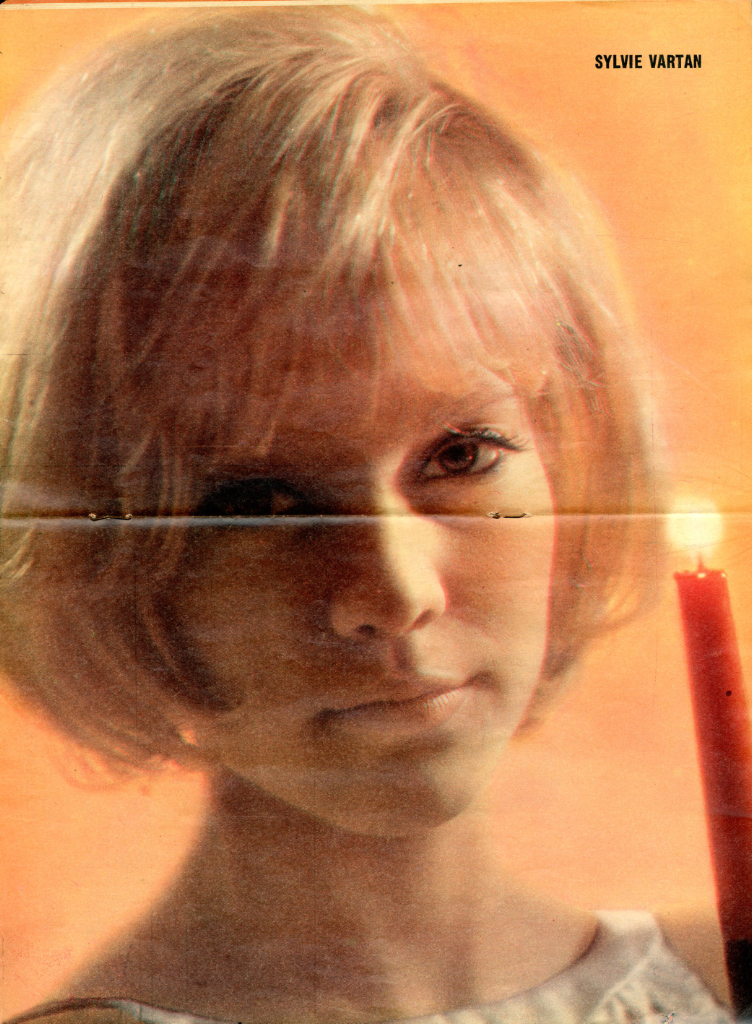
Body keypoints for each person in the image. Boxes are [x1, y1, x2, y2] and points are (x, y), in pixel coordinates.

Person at [0, 9, 731, 1024]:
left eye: (460, 456)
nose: (393, 589)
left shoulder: (713, 983)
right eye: (262, 500)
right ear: (111, 561)